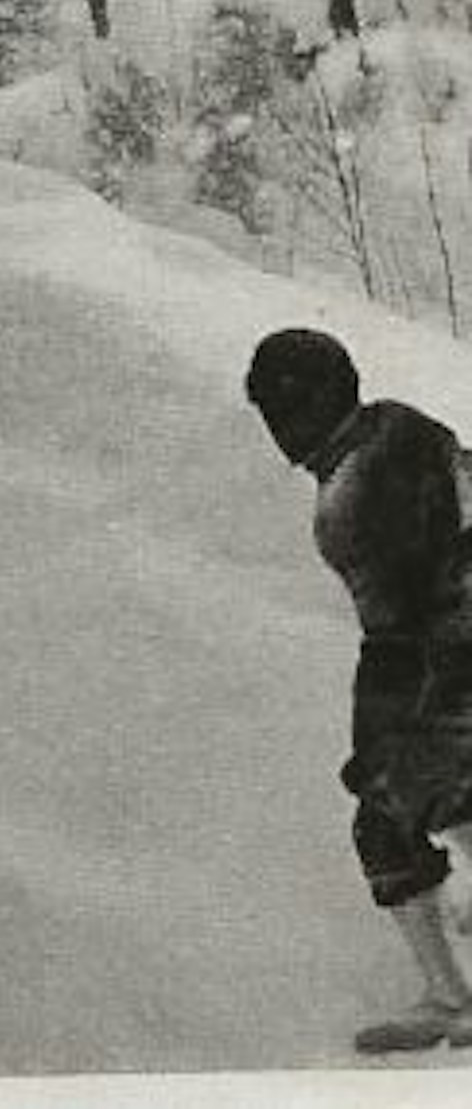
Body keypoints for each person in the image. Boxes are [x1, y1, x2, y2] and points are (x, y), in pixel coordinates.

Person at [245, 328, 472, 1054]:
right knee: (451, 793)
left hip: (448, 649)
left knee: (389, 819)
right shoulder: (402, 421)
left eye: (281, 413)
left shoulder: (348, 499)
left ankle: (448, 996)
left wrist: (376, 739)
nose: (280, 434)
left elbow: (399, 635)